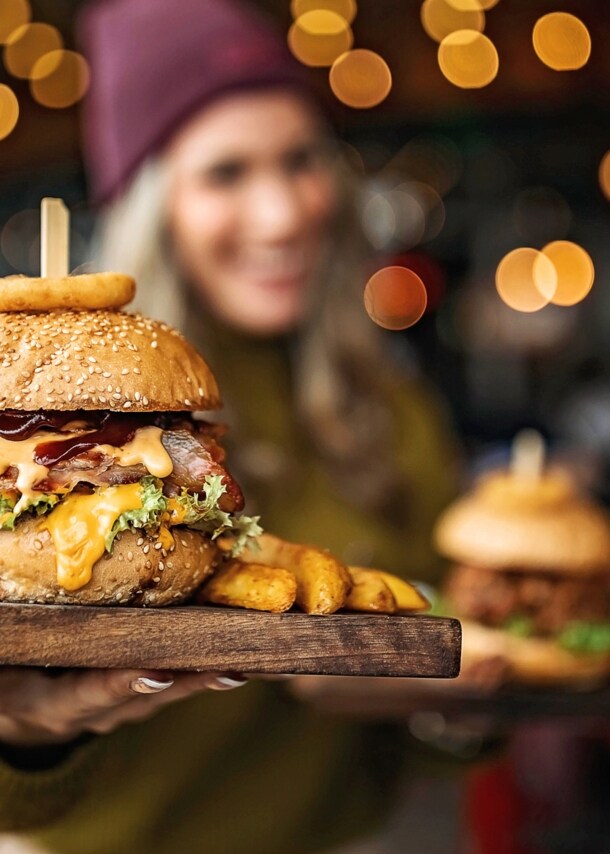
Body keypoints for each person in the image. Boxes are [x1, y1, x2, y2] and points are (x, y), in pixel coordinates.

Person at [0, 1, 458, 852]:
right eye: (225, 173)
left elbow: (439, 703)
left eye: (299, 160)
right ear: (153, 200)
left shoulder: (397, 413)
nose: (282, 213)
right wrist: (30, 737)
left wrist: (454, 714)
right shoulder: (87, 367)